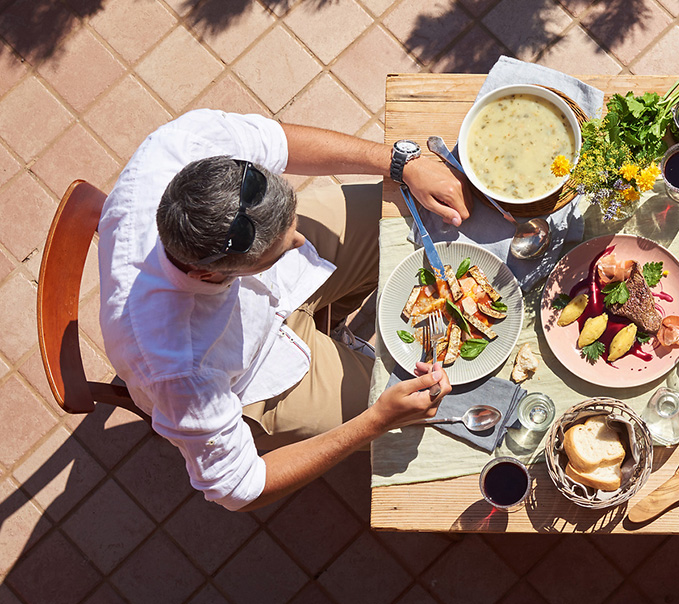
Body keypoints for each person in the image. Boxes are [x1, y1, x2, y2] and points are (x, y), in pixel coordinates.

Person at [99, 109, 470, 511]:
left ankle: (335, 328)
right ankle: (348, 363)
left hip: (269, 291)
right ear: (209, 277)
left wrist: (401, 164)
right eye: (285, 248)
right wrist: (376, 421)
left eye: (292, 227)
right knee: (439, 408)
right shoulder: (177, 369)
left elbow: (278, 140)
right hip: (259, 372)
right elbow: (238, 489)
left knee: (411, 212)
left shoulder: (181, 146)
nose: (300, 243)